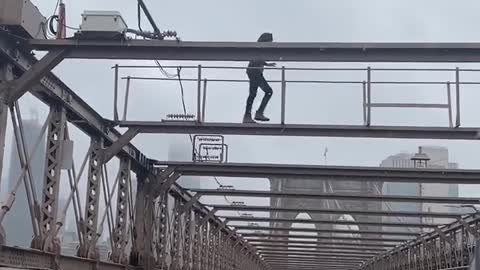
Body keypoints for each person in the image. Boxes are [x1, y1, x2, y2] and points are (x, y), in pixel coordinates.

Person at [243, 32, 276, 123]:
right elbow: (256, 59)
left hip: (254, 71)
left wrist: (266, 64)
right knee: (268, 91)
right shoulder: (259, 48)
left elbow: (258, 59)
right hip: (255, 71)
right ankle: (256, 114)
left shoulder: (260, 48)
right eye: (270, 41)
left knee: (253, 94)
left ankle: (248, 115)